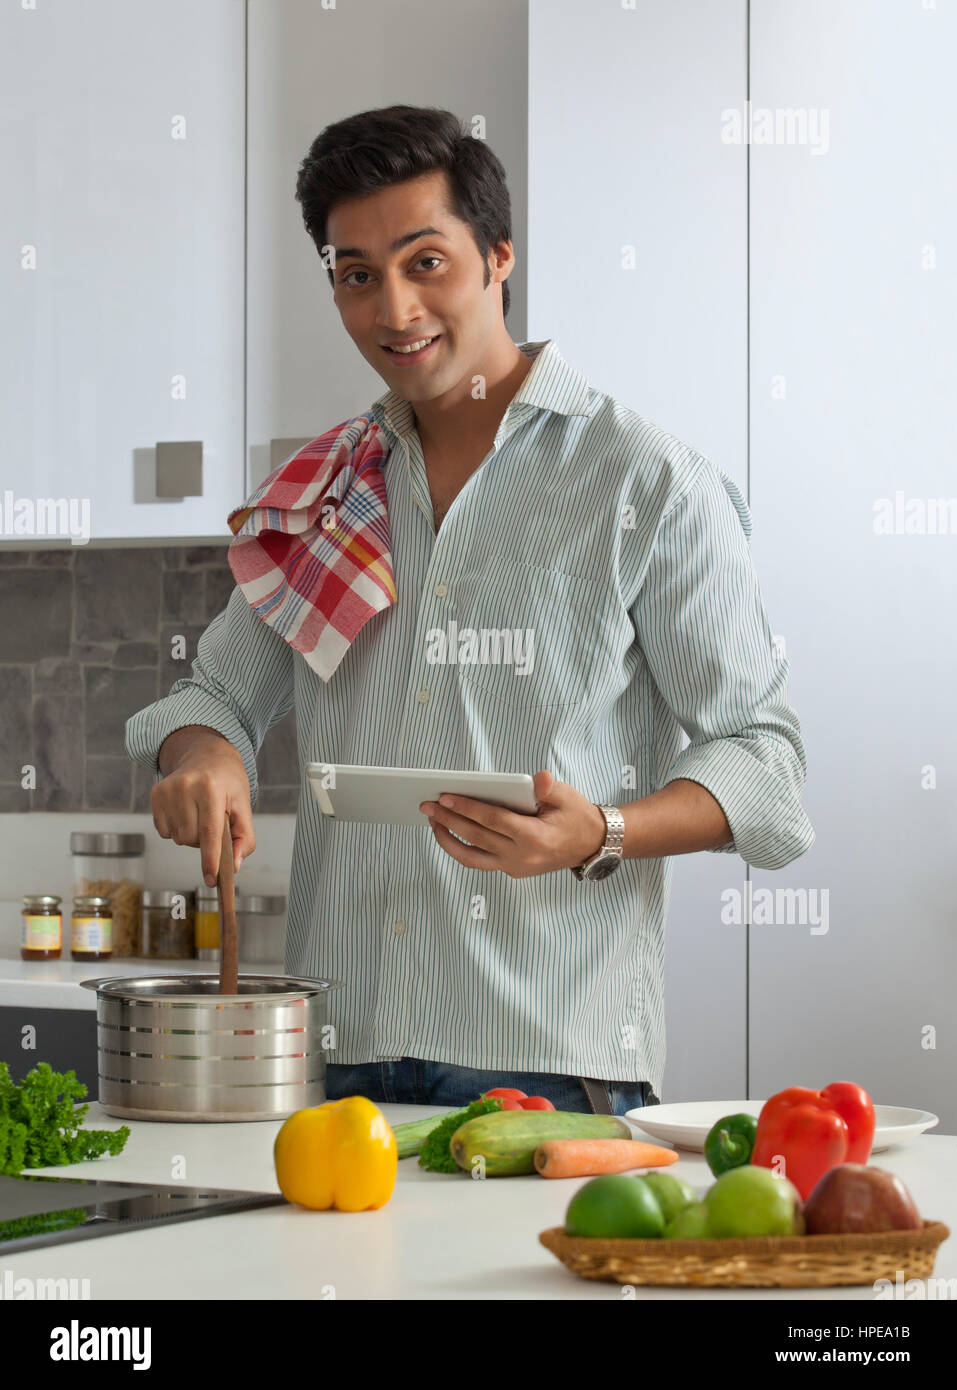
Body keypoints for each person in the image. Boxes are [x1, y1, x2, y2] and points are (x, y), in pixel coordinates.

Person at [125, 104, 814, 1117]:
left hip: (545, 1065)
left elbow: (767, 765)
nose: (394, 309)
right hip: (339, 1054)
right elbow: (216, 694)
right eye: (356, 275)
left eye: (425, 262)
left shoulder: (645, 480)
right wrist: (206, 754)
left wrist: (602, 832)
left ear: (499, 256)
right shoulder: (330, 488)